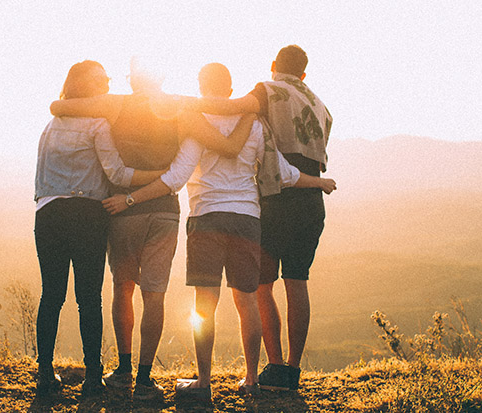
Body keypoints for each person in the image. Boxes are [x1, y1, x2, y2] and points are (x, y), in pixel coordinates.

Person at [102, 63, 336, 400]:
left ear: (201, 86)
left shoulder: (197, 122)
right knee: (247, 302)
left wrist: (130, 198)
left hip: (206, 218)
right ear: (230, 90)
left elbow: (176, 178)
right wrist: (320, 182)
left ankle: (204, 382)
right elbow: (284, 173)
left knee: (204, 306)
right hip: (247, 220)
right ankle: (252, 379)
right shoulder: (255, 124)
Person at [49, 59, 251, 400]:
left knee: (123, 288)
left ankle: (123, 369)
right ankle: (144, 379)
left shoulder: (116, 104)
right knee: (154, 295)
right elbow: (223, 144)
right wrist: (249, 111)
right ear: (162, 76)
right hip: (164, 212)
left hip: (122, 210)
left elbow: (59, 106)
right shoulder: (182, 109)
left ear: (132, 80)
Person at [190, 45, 334, 391]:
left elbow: (230, 107)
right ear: (303, 73)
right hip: (310, 199)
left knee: (262, 287)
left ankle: (274, 366)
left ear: (273, 66)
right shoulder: (320, 105)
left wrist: (181, 106)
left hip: (275, 197)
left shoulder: (266, 90)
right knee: (297, 282)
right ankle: (293, 371)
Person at [33, 60, 164, 397]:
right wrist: (159, 176)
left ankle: (45, 374)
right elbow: (118, 175)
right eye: (101, 78)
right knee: (88, 298)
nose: (107, 82)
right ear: (86, 86)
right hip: (87, 214)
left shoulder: (51, 125)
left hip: (48, 214)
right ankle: (93, 377)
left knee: (52, 296)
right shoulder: (98, 124)